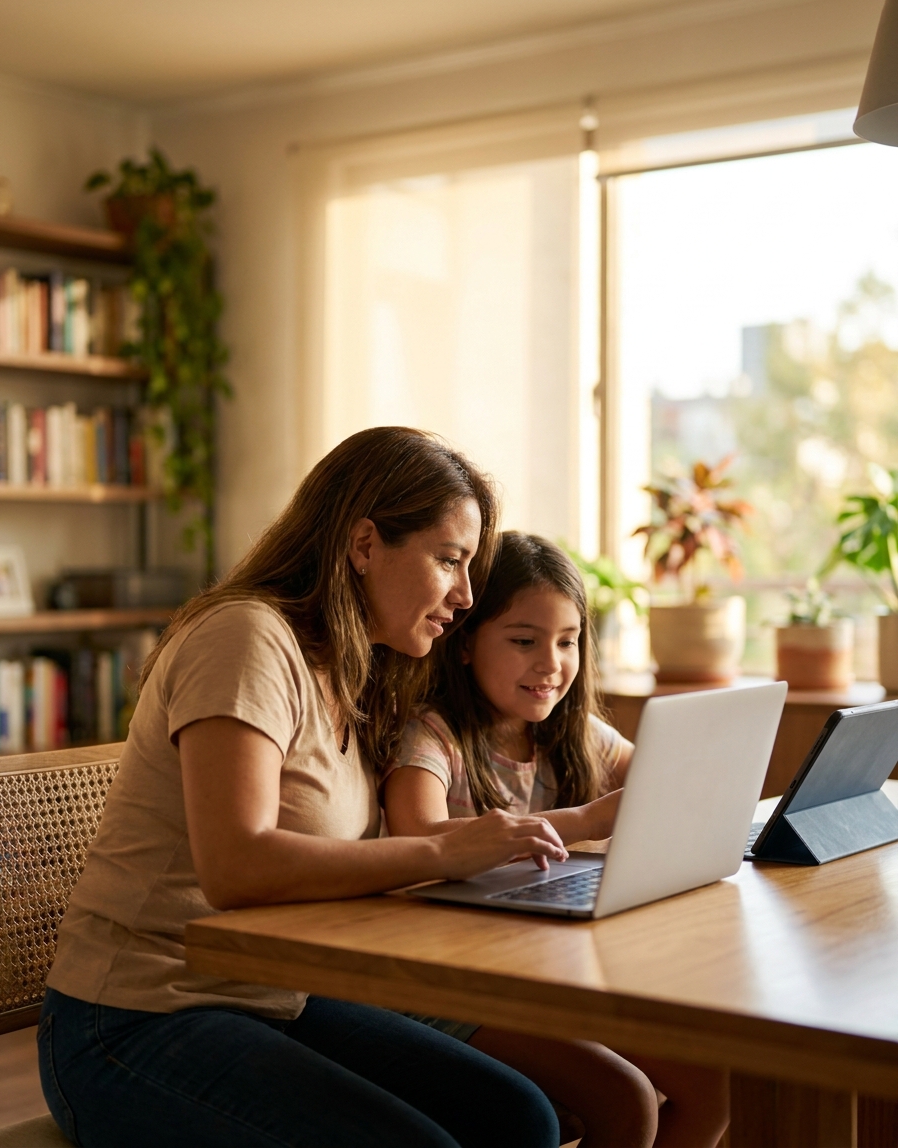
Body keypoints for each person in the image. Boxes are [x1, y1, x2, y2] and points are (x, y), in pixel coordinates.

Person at [38, 429, 569, 1148]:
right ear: (363, 545)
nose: (468, 596)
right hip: (131, 1017)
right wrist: (445, 854)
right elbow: (239, 866)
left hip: (267, 997)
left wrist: (492, 843)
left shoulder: (353, 672)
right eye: (450, 560)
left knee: (519, 1118)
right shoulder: (245, 638)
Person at [383, 532, 730, 1148]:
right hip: (449, 983)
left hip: (545, 973)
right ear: (465, 645)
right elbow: (418, 832)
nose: (551, 664)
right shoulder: (432, 735)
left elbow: (667, 784)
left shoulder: (572, 732)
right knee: (626, 1101)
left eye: (568, 642)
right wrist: (588, 822)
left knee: (714, 1089)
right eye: (523, 641)